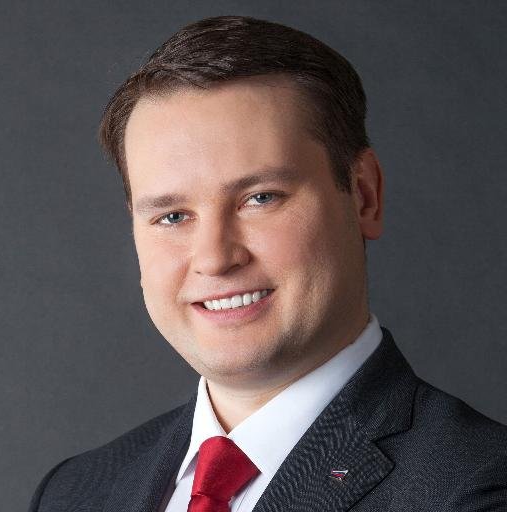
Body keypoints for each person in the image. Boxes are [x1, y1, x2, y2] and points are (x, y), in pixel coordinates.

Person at [28, 15, 507, 512]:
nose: (215, 258)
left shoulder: (481, 490)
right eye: (172, 216)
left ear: (364, 195)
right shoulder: (74, 492)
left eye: (260, 198)